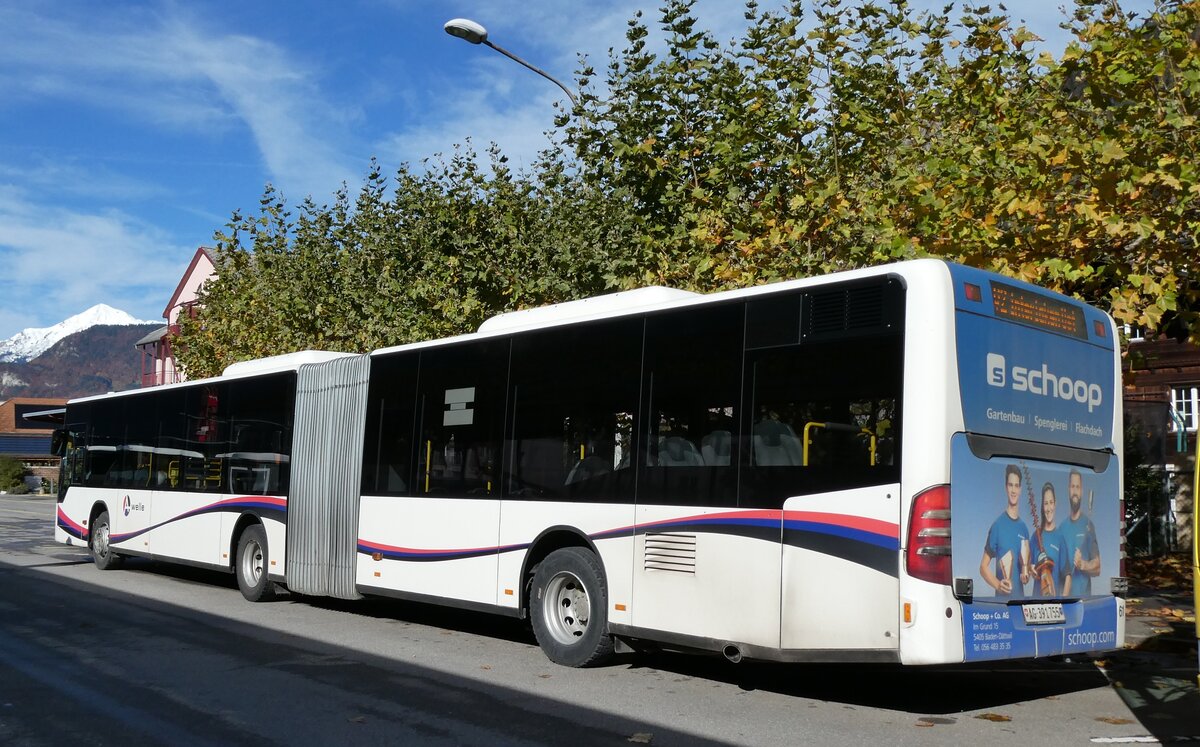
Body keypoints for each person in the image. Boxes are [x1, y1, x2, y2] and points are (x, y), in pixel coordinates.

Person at [980, 464, 1032, 598]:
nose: (1013, 490)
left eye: (1016, 486)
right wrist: (998, 585)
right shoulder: (997, 526)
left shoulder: (1024, 529)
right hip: (1002, 607)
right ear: (1006, 487)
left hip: (1021, 605)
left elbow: (1024, 569)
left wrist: (1026, 576)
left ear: (1020, 489)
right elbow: (983, 567)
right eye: (1010, 485)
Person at [1063, 469, 1101, 596]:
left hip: (1083, 601)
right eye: (1072, 486)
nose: (1075, 491)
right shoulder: (1061, 529)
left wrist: (1082, 564)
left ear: (1082, 491)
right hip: (1062, 601)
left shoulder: (1088, 526)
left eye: (1077, 487)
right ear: (1069, 489)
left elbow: (1097, 567)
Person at [1031, 482, 1069, 597]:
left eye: (1051, 503)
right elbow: (1029, 567)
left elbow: (1067, 576)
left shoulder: (1060, 538)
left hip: (1055, 604)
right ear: (1042, 507)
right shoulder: (1035, 536)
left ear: (1055, 504)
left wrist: (1064, 601)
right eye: (1045, 504)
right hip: (1036, 605)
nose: (1048, 508)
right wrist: (1030, 569)